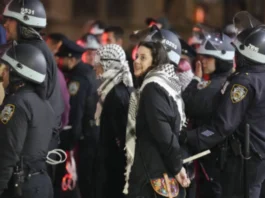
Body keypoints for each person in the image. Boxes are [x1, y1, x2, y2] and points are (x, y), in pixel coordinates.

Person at [180, 11, 265, 198]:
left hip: (244, 160)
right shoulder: (259, 78)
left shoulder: (243, 82)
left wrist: (188, 137)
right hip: (259, 158)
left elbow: (222, 126)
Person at [123, 27, 191, 198]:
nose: (136, 61)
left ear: (156, 61)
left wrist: (177, 167)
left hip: (152, 178)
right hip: (157, 173)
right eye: (137, 56)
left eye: (143, 57)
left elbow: (163, 134)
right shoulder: (163, 85)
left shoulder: (153, 87)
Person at [2, 0, 64, 148]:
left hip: (32, 146)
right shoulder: (30, 48)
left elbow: (35, 103)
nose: (5, 24)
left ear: (24, 22)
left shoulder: (33, 53)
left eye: (10, 19)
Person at [182, 27, 235, 198]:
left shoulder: (213, 85)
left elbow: (187, 103)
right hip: (218, 157)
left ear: (221, 60)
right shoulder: (227, 81)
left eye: (208, 57)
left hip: (212, 158)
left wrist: (195, 80)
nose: (202, 60)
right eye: (202, 56)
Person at [0, 43, 54, 198]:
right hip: (42, 183)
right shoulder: (44, 104)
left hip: (21, 187)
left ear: (18, 72)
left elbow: (8, 153)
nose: (3, 73)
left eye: (6, 69)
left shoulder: (16, 104)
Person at [55, 37, 99, 198]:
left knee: (84, 180)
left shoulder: (77, 79)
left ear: (71, 59)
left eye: (62, 58)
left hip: (84, 137)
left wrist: (70, 142)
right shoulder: (87, 71)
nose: (59, 61)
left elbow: (76, 110)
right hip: (91, 133)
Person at [94, 44, 133, 198]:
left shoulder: (115, 94)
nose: (95, 68)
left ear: (107, 65)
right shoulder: (118, 89)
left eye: (98, 65)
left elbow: (120, 136)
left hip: (114, 165)